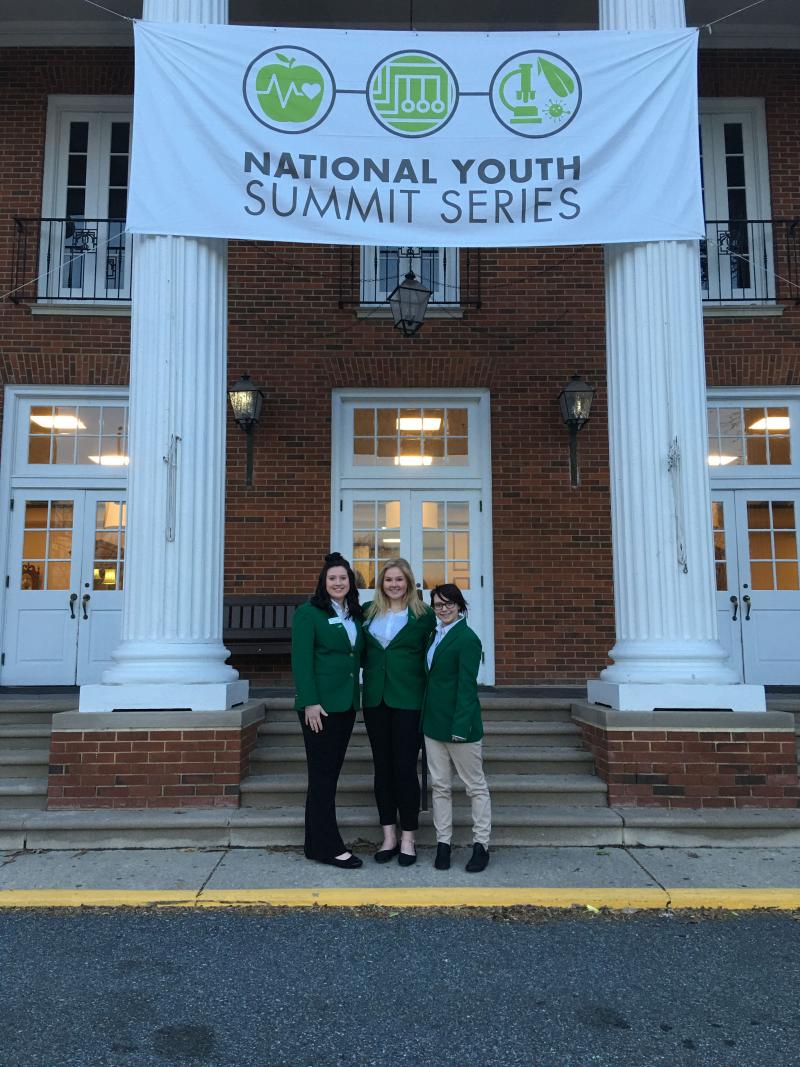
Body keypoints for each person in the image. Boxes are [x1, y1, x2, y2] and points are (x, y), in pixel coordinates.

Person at [291, 552, 365, 869]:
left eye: (343, 578)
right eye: (332, 578)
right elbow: (301, 660)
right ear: (323, 582)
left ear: (350, 583)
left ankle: (314, 844)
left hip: (346, 704)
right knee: (322, 776)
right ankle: (329, 846)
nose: (338, 583)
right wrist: (310, 701)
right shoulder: (309, 613)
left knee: (327, 776)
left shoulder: (354, 614)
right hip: (319, 707)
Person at [362, 558, 436, 867]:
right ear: (381, 583)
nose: (394, 584)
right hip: (375, 700)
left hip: (409, 700)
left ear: (409, 582)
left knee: (405, 768)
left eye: (399, 579)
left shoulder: (424, 615)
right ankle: (388, 836)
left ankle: (408, 838)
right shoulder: (368, 612)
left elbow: (436, 654)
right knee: (383, 768)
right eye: (389, 579)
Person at [421, 583, 491, 873]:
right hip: (433, 723)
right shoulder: (434, 635)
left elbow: (467, 686)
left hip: (460, 725)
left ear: (460, 605)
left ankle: (481, 845)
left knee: (475, 786)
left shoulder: (467, 638)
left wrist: (460, 726)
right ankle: (443, 844)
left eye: (449, 603)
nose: (444, 609)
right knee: (440, 786)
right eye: (438, 604)